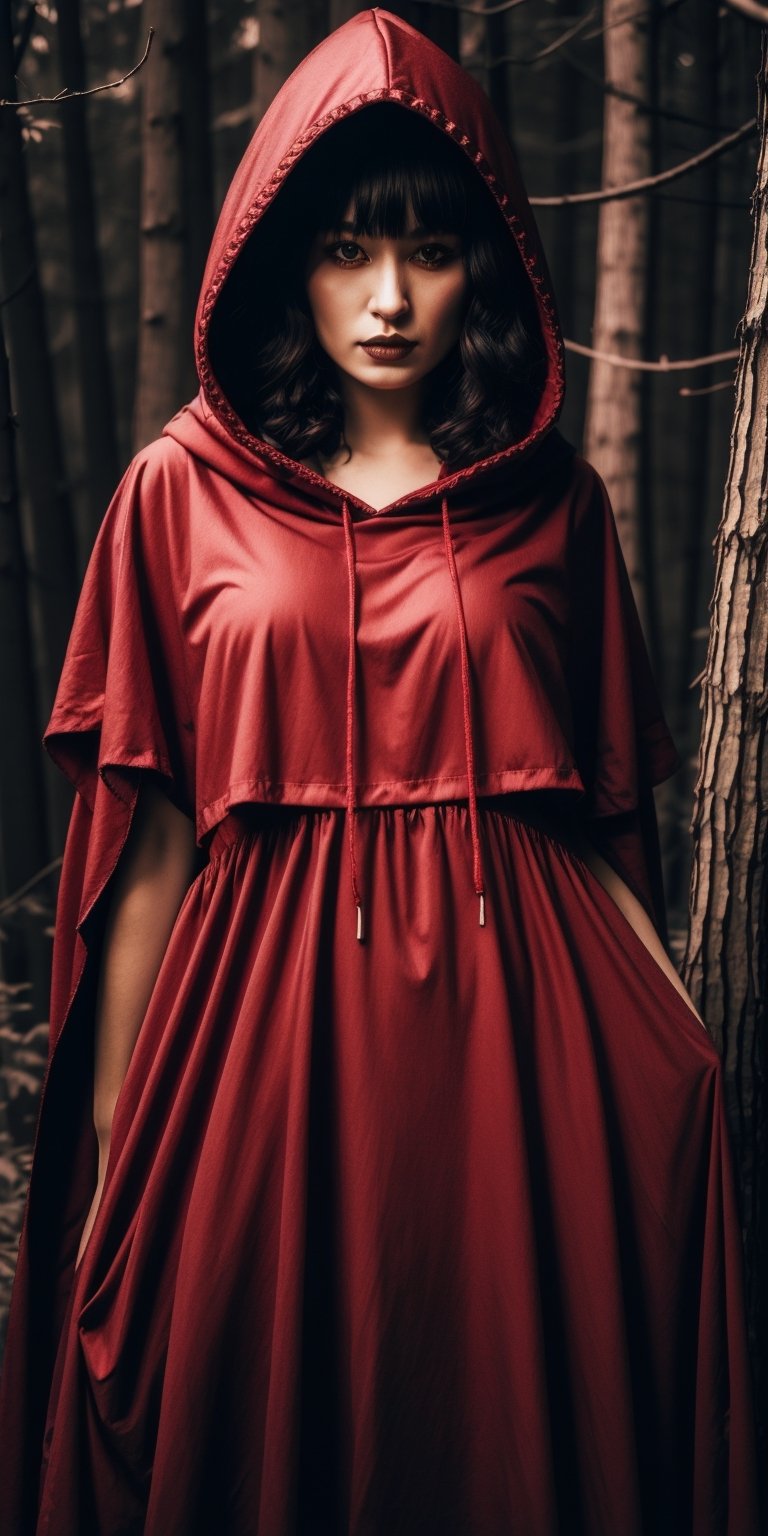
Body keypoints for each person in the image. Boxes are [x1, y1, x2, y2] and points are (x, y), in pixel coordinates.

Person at [0, 9, 760, 1534]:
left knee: (519, 1424)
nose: (391, 298)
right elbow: (147, 854)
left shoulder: (554, 500)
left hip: (522, 1050)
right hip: (262, 1043)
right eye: (350, 250)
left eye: (429, 251)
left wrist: (673, 1045)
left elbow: (605, 826)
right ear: (288, 261)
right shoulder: (180, 490)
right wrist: (117, 1155)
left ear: (491, 268)